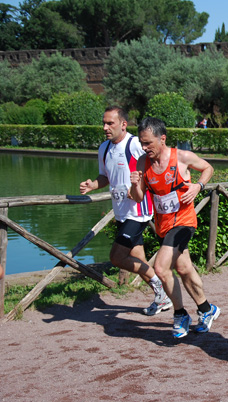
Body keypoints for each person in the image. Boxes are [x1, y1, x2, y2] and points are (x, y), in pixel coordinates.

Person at [130, 117, 220, 339]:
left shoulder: (181, 157)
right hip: (163, 224)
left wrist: (198, 186)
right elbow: (137, 197)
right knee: (184, 269)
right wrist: (134, 184)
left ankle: (180, 314)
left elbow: (208, 168)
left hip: (183, 221)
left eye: (148, 143)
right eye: (142, 143)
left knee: (161, 268)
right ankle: (207, 310)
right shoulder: (142, 163)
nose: (144, 147)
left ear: (162, 139)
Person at [80, 106, 172, 316]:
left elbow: (156, 164)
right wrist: (93, 184)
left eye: (110, 123)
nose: (105, 127)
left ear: (123, 124)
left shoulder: (134, 144)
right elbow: (106, 177)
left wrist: (140, 187)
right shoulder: (104, 148)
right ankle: (162, 297)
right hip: (121, 211)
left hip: (138, 211)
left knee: (117, 257)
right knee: (138, 258)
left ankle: (163, 288)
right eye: (103, 123)